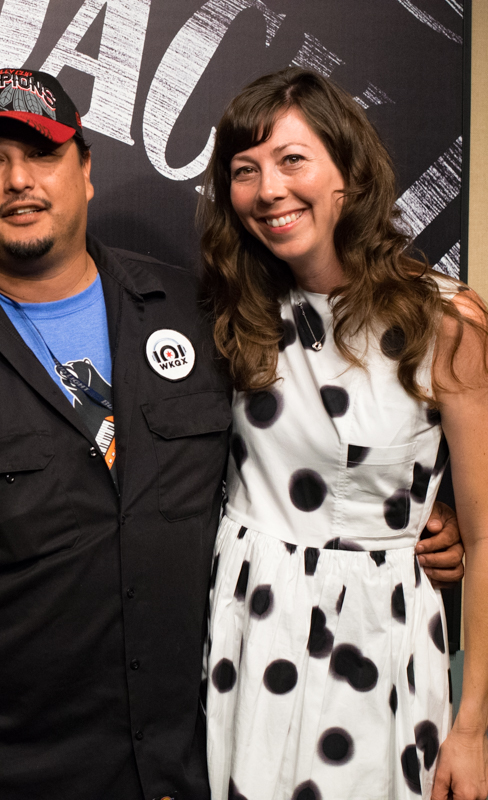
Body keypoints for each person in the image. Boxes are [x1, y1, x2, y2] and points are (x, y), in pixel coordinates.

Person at [0, 67, 467, 800]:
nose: (19, 181)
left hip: (192, 759)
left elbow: (322, 420)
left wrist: (420, 515)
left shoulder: (201, 312)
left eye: (43, 156)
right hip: (3, 770)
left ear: (86, 172)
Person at [198, 68, 488, 800]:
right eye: (245, 170)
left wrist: (472, 730)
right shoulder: (225, 312)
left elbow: (485, 539)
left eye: (293, 160)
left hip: (378, 649)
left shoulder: (443, 321)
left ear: (348, 175)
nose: (268, 190)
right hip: (245, 636)